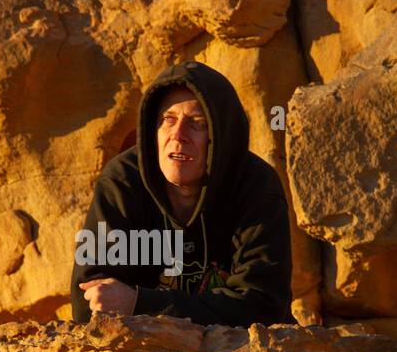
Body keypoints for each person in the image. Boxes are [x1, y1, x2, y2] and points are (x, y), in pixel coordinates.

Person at [70, 60, 293, 326]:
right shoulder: (122, 182)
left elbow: (263, 307)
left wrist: (140, 303)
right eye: (168, 120)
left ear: (222, 137)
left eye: (197, 123)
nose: (178, 135)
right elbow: (91, 301)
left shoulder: (256, 187)